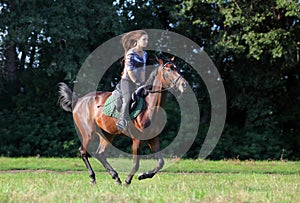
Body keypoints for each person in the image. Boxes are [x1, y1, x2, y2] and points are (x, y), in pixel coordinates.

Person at [116, 30, 149, 131]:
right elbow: (129, 70)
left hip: (138, 81)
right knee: (127, 98)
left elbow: (143, 70)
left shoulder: (144, 54)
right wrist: (136, 81)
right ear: (137, 40)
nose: (146, 41)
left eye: (147, 40)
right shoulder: (131, 53)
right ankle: (121, 120)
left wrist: (143, 82)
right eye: (144, 39)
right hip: (127, 81)